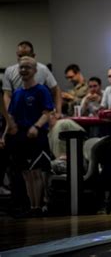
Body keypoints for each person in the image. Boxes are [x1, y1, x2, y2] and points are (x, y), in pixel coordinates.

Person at [6, 56, 54, 217]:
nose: (24, 70)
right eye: (21, 67)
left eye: (27, 67)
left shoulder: (41, 90)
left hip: (36, 135)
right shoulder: (17, 93)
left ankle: (38, 206)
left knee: (36, 171)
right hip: (20, 136)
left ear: (34, 70)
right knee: (26, 173)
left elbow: (47, 113)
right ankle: (32, 206)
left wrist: (36, 126)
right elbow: (11, 116)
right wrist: (4, 134)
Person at [2, 41, 61, 118]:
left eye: (27, 56)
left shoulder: (42, 85)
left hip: (38, 114)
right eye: (20, 56)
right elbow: (7, 96)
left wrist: (58, 112)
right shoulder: (17, 91)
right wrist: (9, 118)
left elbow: (56, 91)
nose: (23, 59)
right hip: (19, 114)